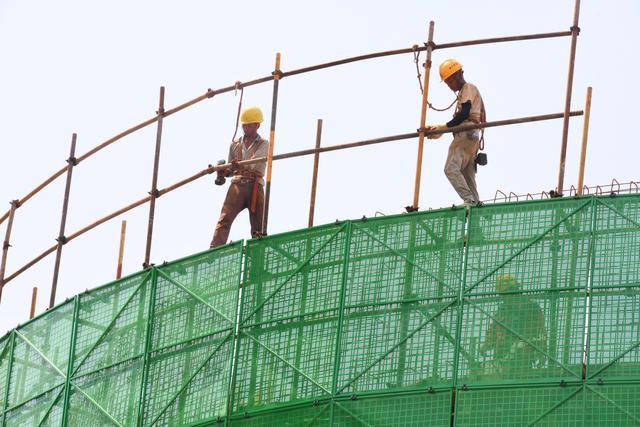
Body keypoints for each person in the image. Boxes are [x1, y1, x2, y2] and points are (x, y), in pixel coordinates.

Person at [427, 59, 486, 206]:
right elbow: (463, 117)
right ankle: (476, 204)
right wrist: (442, 131)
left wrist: (444, 127)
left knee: (451, 169)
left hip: (466, 133)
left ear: (457, 76)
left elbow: (464, 113)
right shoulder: (466, 92)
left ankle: (469, 200)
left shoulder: (468, 87)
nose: (449, 86)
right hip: (473, 136)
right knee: (466, 173)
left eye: (449, 82)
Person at [210, 106, 269, 248]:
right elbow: (231, 168)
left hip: (255, 186)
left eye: (249, 125)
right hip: (237, 185)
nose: (245, 128)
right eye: (244, 125)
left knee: (258, 227)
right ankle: (215, 249)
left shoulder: (264, 144)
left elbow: (255, 163)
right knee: (225, 219)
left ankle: (258, 253)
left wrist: (238, 165)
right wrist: (223, 171)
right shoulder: (235, 144)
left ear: (257, 125)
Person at [480, 274, 547, 376]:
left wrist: (542, 352)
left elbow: (540, 331)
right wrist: (486, 344)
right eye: (503, 295)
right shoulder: (502, 311)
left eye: (506, 294)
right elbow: (494, 330)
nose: (504, 298)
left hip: (522, 357)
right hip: (502, 357)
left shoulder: (531, 308)